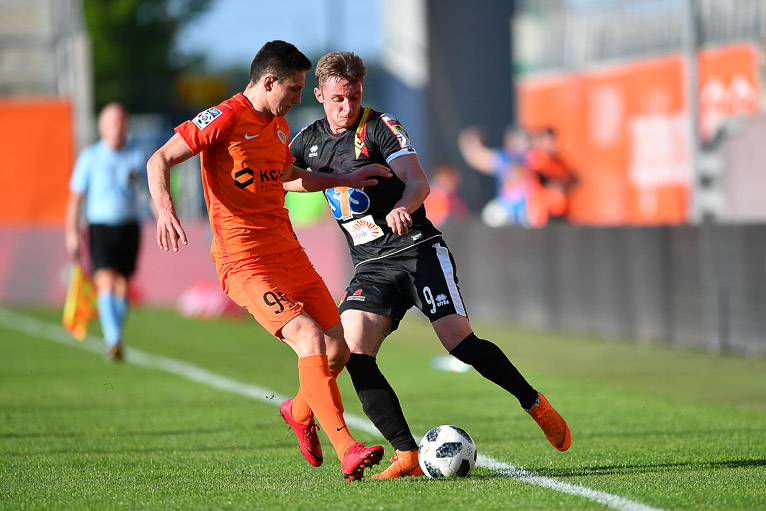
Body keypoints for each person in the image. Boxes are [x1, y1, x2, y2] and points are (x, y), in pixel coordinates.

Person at [288, 51, 571, 479]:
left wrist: (403, 206)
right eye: (339, 99)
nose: (347, 106)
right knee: (352, 352)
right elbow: (281, 176)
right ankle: (407, 454)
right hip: (370, 266)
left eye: (355, 96)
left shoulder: (380, 127)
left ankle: (534, 402)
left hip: (417, 249)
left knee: (459, 343)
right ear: (320, 95)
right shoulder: (307, 140)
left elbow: (418, 181)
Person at [145, 40, 391, 482]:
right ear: (269, 81)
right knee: (309, 338)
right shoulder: (223, 117)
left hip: (288, 252)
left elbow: (290, 176)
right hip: (245, 262)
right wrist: (165, 210)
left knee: (338, 349)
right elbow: (159, 158)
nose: (299, 98)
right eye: (294, 89)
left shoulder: (278, 125)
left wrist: (346, 178)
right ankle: (347, 448)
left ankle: (299, 412)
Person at [65, 102, 148, 361]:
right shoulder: (90, 157)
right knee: (105, 280)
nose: (117, 128)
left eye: (121, 122)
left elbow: (150, 191)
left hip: (128, 226)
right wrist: (71, 231)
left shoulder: (136, 154)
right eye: (112, 122)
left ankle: (114, 338)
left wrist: (163, 216)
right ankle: (113, 338)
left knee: (123, 284)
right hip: (100, 226)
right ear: (102, 126)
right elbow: (76, 198)